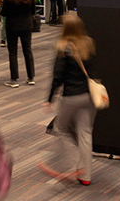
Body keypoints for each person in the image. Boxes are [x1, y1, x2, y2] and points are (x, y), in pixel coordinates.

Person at [42, 13, 97, 185]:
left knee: (60, 129)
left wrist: (49, 99)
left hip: (71, 97)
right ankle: (86, 176)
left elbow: (57, 77)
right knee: (85, 133)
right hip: (89, 96)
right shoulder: (89, 44)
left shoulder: (63, 48)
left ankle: (76, 163)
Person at [0, 0, 36, 88]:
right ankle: (31, 77)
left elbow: (4, 12)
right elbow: (33, 11)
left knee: (13, 52)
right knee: (27, 49)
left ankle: (14, 78)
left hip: (12, 25)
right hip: (27, 24)